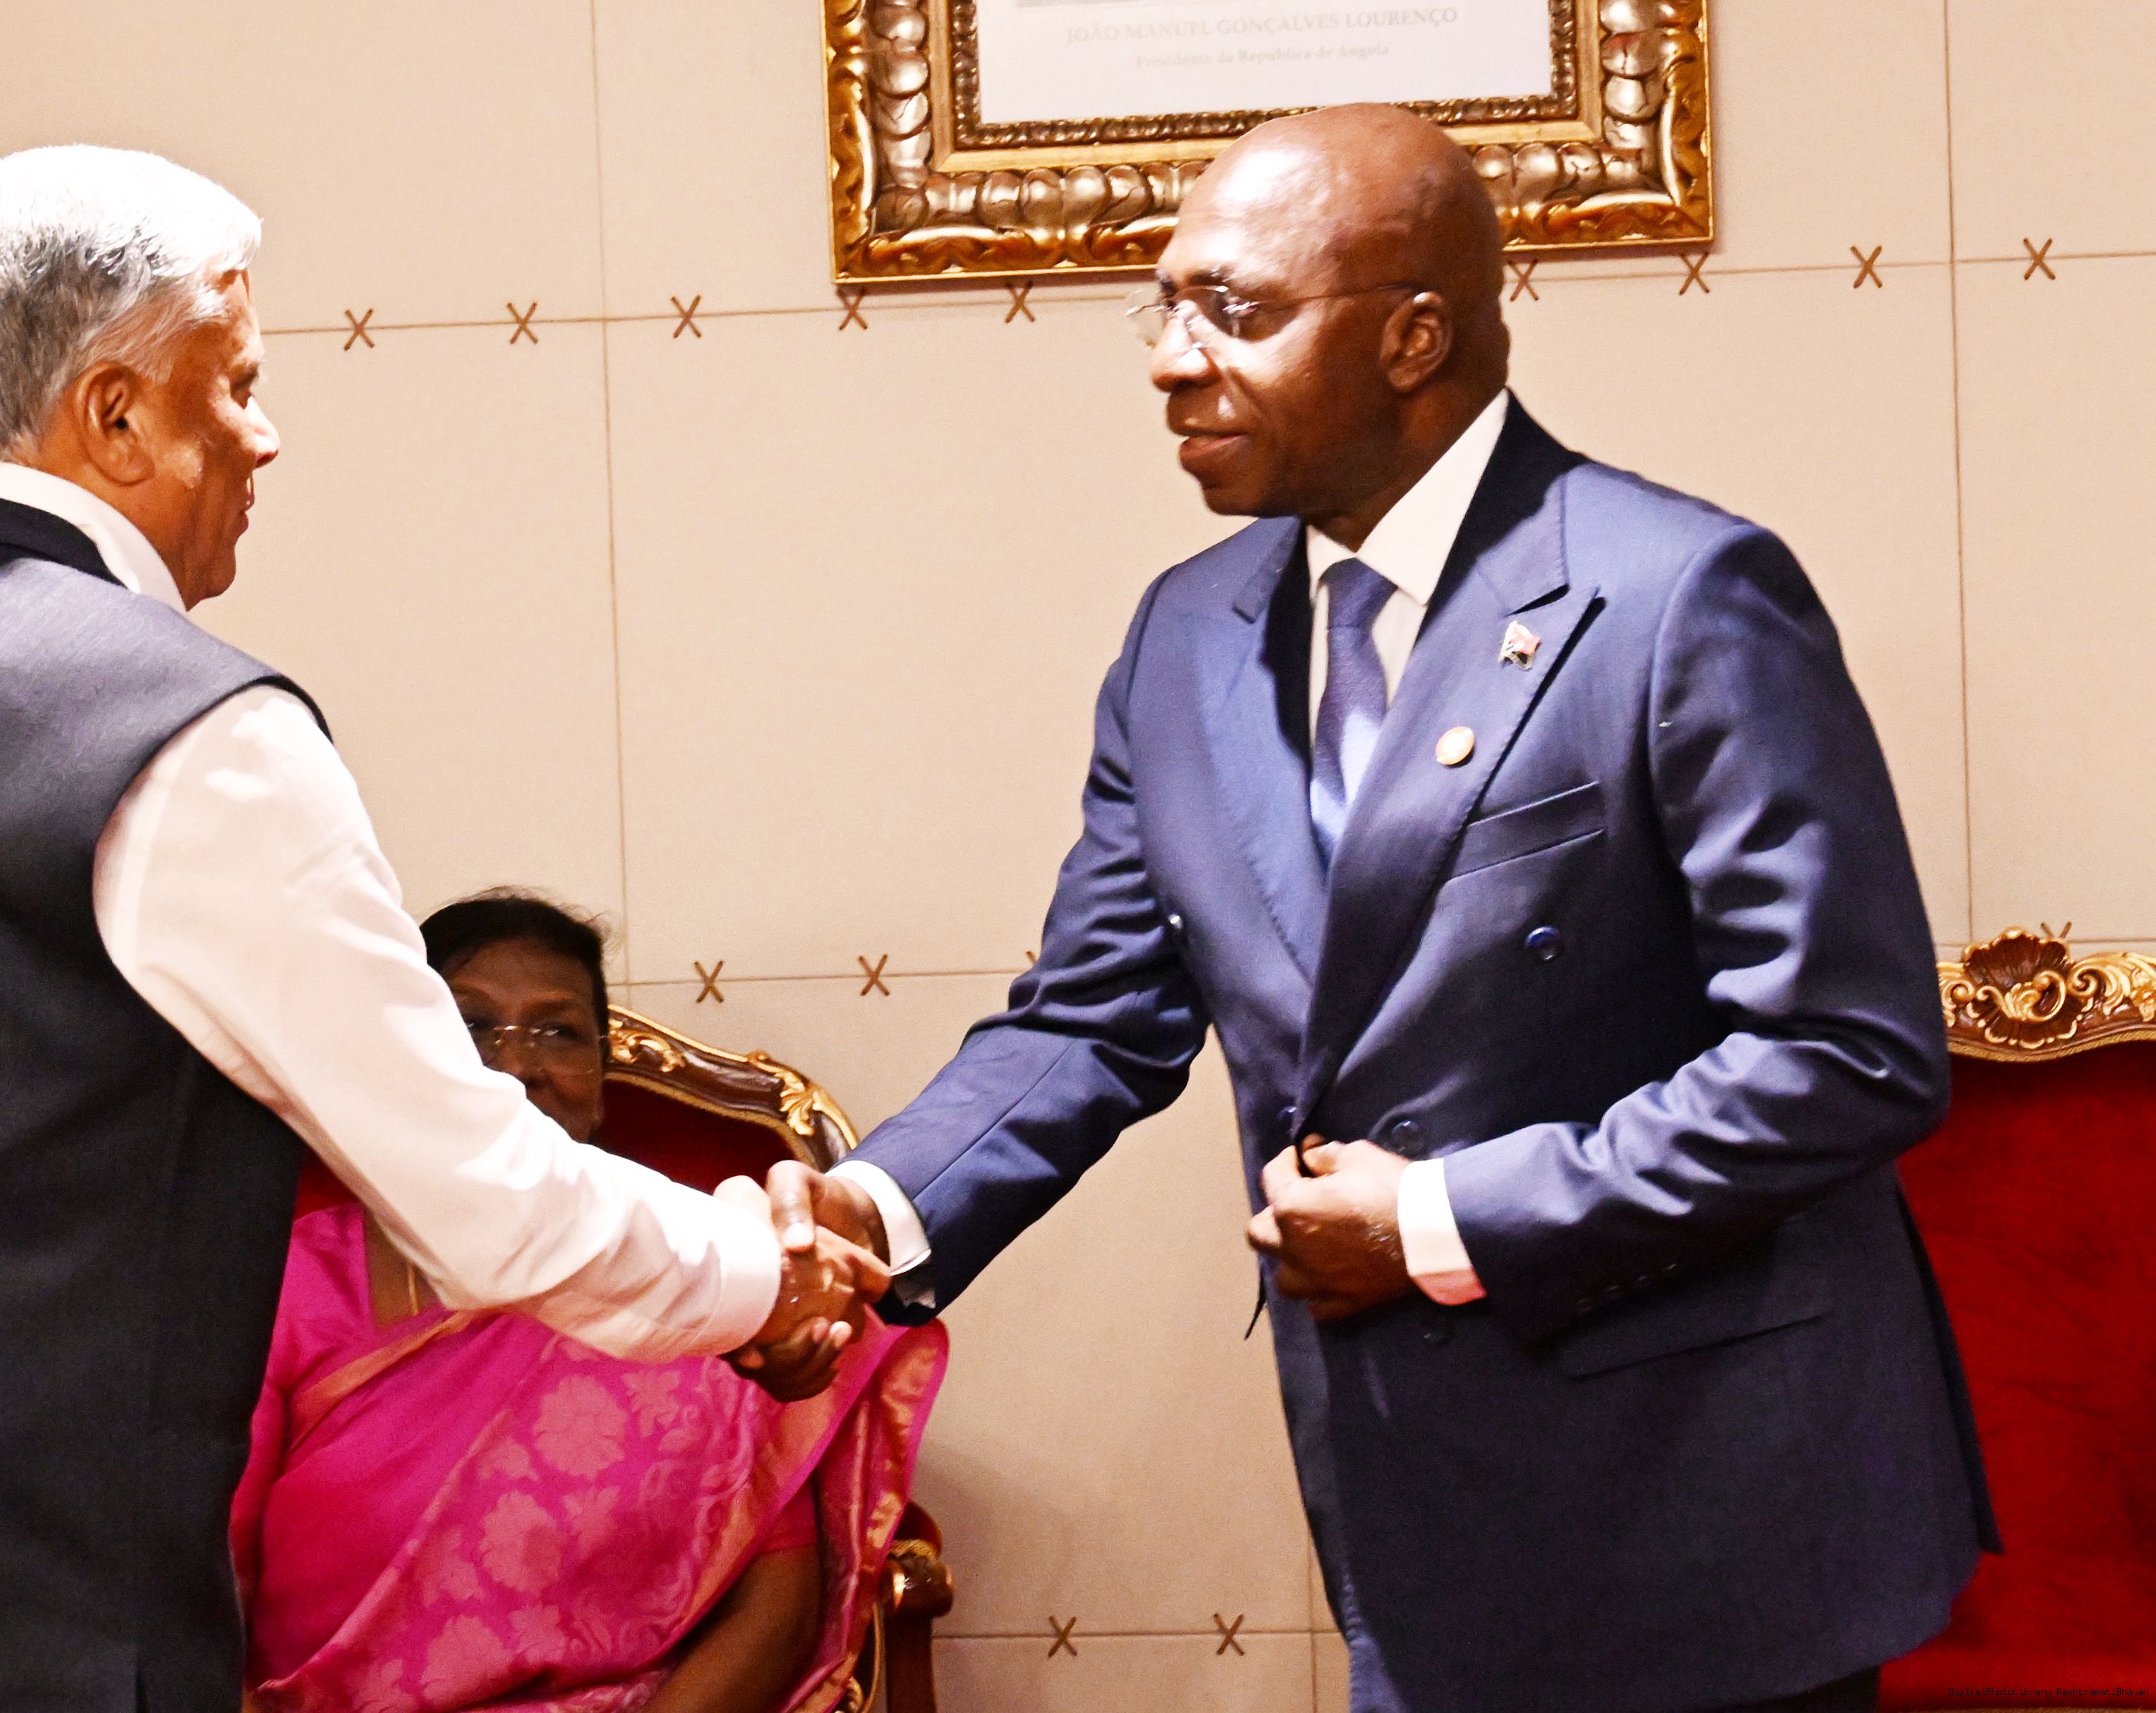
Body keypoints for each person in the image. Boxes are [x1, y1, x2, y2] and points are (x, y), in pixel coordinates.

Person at [0, 146, 881, 1713]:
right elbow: (482, 1193)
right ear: (116, 415)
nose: (265, 436)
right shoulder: (191, 733)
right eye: (237, 383)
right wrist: (759, 1279)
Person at [752, 104, 1993, 1713]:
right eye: (1164, 307)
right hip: (1408, 1507)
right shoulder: (1186, 636)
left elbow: (1844, 1052)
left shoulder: (1676, 594)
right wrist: (871, 1214)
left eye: (1235, 310)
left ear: (1414, 337)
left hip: (1704, 1509)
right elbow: (1093, 1016)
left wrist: (1441, 1219)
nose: (1170, 361)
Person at [230, 892, 945, 1713]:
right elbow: (196, 1572)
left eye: (558, 1032)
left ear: (601, 1078)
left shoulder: (694, 1269)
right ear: (403, 1063)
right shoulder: (284, 1284)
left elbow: (774, 1603)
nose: (517, 1065)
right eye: (470, 1026)